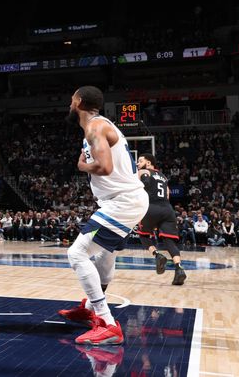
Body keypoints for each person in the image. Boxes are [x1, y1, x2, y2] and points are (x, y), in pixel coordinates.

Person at [58, 86, 148, 346]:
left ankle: (107, 323)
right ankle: (88, 307)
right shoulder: (96, 128)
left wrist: (82, 165)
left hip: (123, 202)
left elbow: (105, 167)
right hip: (124, 201)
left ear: (79, 101)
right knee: (103, 255)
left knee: (76, 253)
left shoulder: (95, 128)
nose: (69, 102)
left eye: (71, 98)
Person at [135, 154, 186, 286]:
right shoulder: (163, 177)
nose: (137, 163)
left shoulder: (143, 171)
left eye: (140, 161)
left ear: (148, 163)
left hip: (151, 207)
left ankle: (157, 255)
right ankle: (179, 268)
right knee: (169, 241)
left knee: (143, 235)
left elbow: (144, 183)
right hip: (167, 210)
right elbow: (168, 194)